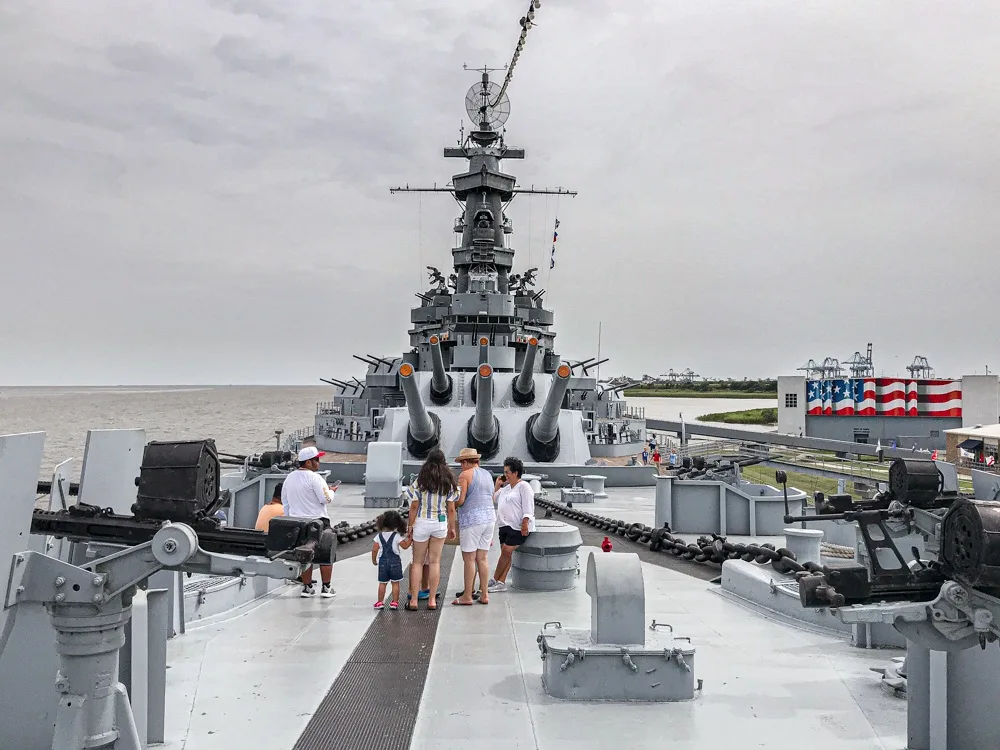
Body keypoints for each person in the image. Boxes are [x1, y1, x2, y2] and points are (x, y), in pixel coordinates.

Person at [404, 448, 459, 610]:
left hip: (422, 522)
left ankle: (413, 600)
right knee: (435, 562)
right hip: (439, 524)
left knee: (417, 563)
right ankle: (432, 600)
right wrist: (452, 527)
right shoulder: (448, 482)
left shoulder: (420, 481)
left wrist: (410, 525)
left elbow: (414, 506)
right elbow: (451, 508)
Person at [281, 446, 337, 598]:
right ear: (308, 463)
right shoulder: (315, 478)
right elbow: (326, 499)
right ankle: (326, 588)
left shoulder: (289, 478)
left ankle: (307, 587)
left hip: (297, 522)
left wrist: (290, 519)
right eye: (316, 459)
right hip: (318, 521)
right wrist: (332, 491)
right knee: (326, 553)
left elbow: (285, 502)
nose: (319, 462)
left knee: (304, 555)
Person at [451, 447, 496, 606]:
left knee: (469, 559)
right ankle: (484, 594)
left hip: (472, 520)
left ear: (465, 462)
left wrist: (451, 503)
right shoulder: (488, 475)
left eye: (462, 463)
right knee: (482, 558)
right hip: (490, 518)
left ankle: (467, 596)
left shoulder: (465, 475)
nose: (461, 466)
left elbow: (461, 500)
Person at [486, 456, 535, 593]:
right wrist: (497, 485)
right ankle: (501, 582)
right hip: (504, 525)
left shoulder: (524, 487)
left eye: (507, 472)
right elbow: (493, 499)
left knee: (506, 552)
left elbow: (528, 507)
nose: (505, 475)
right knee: (505, 554)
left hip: (517, 525)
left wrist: (525, 522)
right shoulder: (507, 488)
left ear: (515, 473)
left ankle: (494, 579)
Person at [371, 510, 411, 610]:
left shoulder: (379, 536)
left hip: (383, 563)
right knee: (395, 583)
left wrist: (374, 560)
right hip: (395, 562)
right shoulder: (397, 536)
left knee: (382, 583)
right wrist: (411, 539)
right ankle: (394, 602)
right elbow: (405, 546)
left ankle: (380, 602)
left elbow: (375, 549)